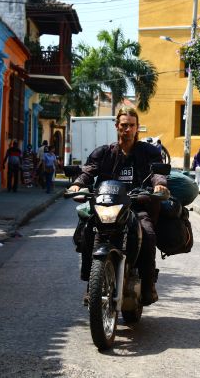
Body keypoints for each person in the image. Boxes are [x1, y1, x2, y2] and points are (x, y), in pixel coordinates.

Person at [67, 106, 169, 306]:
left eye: (132, 125)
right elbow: (89, 171)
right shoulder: (104, 153)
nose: (127, 129)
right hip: (108, 206)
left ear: (137, 127)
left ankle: (148, 286)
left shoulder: (148, 152)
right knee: (88, 231)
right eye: (124, 125)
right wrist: (77, 184)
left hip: (137, 205)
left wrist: (159, 184)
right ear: (117, 126)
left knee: (147, 233)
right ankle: (91, 285)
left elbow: (157, 172)